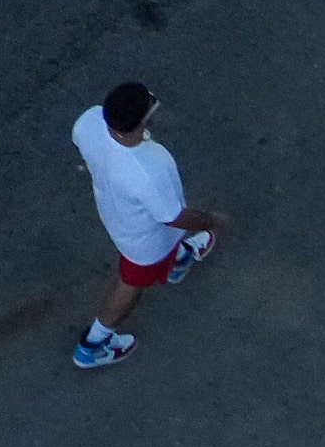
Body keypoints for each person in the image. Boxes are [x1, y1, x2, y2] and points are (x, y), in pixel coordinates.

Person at [68, 81, 228, 368]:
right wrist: (210, 221)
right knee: (131, 284)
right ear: (144, 120)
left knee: (166, 247)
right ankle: (93, 344)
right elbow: (174, 217)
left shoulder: (88, 121)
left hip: (116, 214)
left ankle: (179, 260)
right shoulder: (150, 166)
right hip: (144, 243)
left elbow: (90, 160)